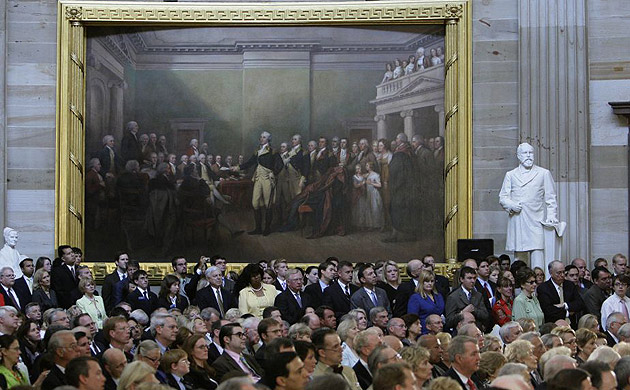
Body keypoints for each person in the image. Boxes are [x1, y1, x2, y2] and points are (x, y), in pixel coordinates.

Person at [499, 142, 559, 271]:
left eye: (530, 153)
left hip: (536, 219)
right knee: (519, 260)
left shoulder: (543, 173)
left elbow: (551, 198)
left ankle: (538, 286)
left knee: (538, 255)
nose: (528, 156)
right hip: (518, 219)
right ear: (518, 156)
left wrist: (551, 216)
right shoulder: (511, 174)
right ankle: (519, 287)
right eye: (525, 153)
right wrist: (512, 205)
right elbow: (503, 197)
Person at [233, 131, 283, 236]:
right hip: (258, 178)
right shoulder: (258, 151)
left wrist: (274, 172)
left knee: (267, 204)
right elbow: (250, 162)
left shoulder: (273, 151)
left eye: (264, 137)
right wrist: (238, 167)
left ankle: (267, 229)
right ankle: (258, 228)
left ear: (268, 139)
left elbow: (280, 164)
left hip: (267, 179)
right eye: (261, 137)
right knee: (255, 203)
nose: (261, 139)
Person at [384, 133, 421, 243]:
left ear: (400, 141)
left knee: (397, 210)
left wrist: (394, 186)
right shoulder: (409, 152)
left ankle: (397, 236)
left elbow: (399, 172)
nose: (395, 140)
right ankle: (398, 234)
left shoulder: (401, 153)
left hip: (401, 187)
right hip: (406, 187)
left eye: (396, 139)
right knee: (403, 210)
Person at [444, 266, 491, 332]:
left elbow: (485, 315)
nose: (473, 281)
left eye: (474, 278)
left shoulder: (478, 295)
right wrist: (462, 313)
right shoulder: (453, 296)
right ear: (461, 279)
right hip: (461, 333)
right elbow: (449, 321)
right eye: (469, 278)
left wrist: (474, 310)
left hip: (477, 331)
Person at [537, 260, 584, 325]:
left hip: (571, 324)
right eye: (559, 273)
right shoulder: (544, 288)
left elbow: (579, 304)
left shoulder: (569, 285)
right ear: (551, 273)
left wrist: (565, 305)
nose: (562, 275)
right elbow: (548, 310)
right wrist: (567, 312)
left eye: (563, 272)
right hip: (553, 325)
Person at [407, 270, 445, 334]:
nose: (430, 283)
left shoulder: (439, 296)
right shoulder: (415, 298)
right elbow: (413, 319)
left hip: (439, 331)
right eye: (427, 281)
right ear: (421, 282)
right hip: (423, 331)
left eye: (432, 281)